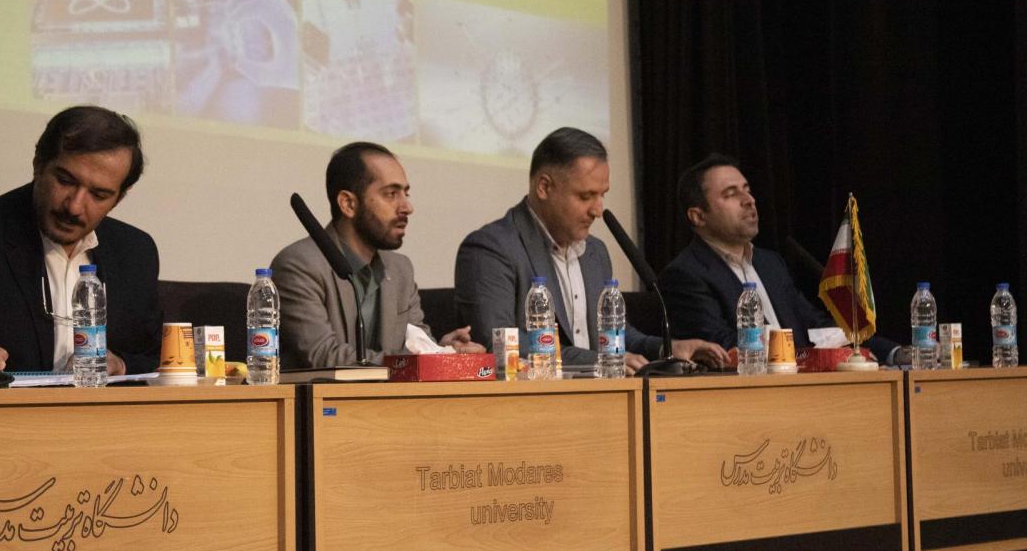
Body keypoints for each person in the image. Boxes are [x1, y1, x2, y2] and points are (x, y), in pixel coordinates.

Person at [455, 127, 727, 372]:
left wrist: (668, 348)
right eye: (585, 196)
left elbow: (615, 335)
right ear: (544, 187)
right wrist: (597, 360)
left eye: (602, 195)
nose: (598, 210)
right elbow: (499, 344)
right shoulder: (490, 249)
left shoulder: (595, 252)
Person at [0, 105, 162, 375]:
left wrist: (121, 365)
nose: (74, 207)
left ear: (119, 197)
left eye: (99, 195)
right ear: (38, 164)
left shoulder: (136, 253)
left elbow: (155, 357)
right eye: (65, 181)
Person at [659, 153, 902, 363]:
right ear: (698, 216)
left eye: (747, 190)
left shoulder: (770, 264)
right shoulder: (685, 275)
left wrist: (892, 352)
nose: (749, 200)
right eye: (731, 194)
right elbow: (721, 347)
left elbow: (814, 325)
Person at [271, 142, 484, 368]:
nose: (407, 207)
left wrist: (441, 350)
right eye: (391, 194)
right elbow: (324, 356)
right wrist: (417, 359)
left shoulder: (400, 269)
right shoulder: (298, 265)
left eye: (406, 193)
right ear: (348, 204)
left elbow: (416, 345)